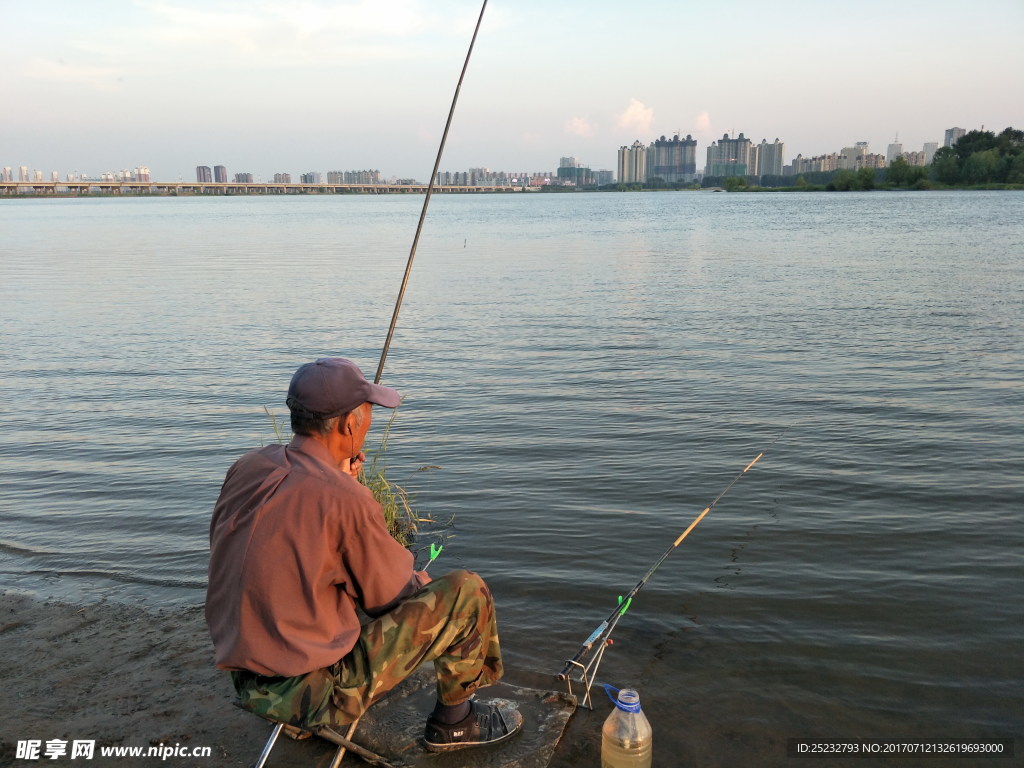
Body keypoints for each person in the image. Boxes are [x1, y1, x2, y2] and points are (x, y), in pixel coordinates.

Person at [204, 357, 522, 752]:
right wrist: (420, 584)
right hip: (310, 691)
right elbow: (392, 601)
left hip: (246, 676)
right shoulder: (344, 499)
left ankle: (296, 714)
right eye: (368, 411)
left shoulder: (248, 466)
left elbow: (291, 532)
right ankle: (454, 724)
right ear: (347, 424)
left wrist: (340, 481)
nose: (370, 421)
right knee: (466, 593)